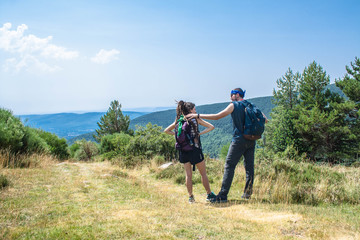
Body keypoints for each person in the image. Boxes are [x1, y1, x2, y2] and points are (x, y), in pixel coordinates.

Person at [186, 88, 267, 203]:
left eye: (231, 95)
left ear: (237, 95)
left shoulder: (234, 105)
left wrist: (197, 115)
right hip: (251, 139)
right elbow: (265, 120)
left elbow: (217, 116)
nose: (230, 97)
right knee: (249, 167)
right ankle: (247, 194)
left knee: (229, 165)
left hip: (238, 140)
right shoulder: (251, 105)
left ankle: (223, 195)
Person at [164, 101, 216, 203]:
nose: (196, 111)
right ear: (191, 110)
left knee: (188, 175)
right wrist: (200, 133)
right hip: (195, 149)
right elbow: (211, 126)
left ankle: (191, 197)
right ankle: (209, 194)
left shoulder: (179, 120)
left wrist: (177, 136)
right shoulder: (195, 118)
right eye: (194, 109)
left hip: (183, 150)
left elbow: (166, 130)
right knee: (203, 174)